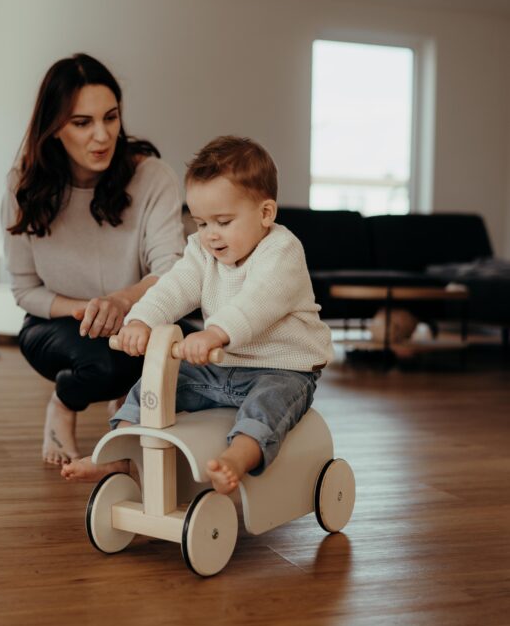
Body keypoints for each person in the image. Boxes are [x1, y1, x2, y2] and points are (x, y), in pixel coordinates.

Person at [62, 135, 334, 493]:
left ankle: (237, 457)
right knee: (156, 384)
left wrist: (215, 333)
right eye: (202, 223)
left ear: (265, 213)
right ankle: (120, 451)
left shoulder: (281, 251)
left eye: (223, 221)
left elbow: (257, 302)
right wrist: (141, 320)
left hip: (282, 368)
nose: (210, 236)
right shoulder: (202, 253)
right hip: (221, 366)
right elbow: (174, 287)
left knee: (267, 406)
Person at [1, 53, 185, 467]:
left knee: (187, 354)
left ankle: (126, 407)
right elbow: (25, 290)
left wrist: (122, 302)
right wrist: (88, 310)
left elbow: (172, 269)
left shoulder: (153, 177)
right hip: (58, 324)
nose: (101, 136)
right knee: (101, 362)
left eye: (111, 117)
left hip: (140, 315)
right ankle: (63, 404)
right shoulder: (23, 187)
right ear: (54, 129)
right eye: (82, 123)